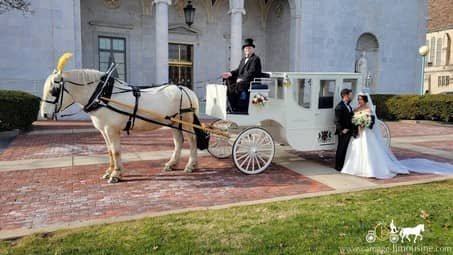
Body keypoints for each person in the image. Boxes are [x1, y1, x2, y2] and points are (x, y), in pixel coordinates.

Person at [341, 93, 453, 178]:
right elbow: (353, 118)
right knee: (356, 149)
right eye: (358, 99)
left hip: (367, 133)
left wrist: (364, 123)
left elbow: (371, 121)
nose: (359, 101)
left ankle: (370, 169)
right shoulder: (356, 109)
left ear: (365, 100)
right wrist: (357, 123)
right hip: (359, 133)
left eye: (360, 99)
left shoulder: (368, 109)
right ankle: (355, 168)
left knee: (369, 150)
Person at [222, 38, 262, 112]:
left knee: (238, 85)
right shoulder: (243, 60)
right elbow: (238, 70)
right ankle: (231, 106)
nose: (247, 49)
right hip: (242, 81)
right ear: (244, 50)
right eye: (246, 48)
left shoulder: (255, 59)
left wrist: (242, 79)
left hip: (250, 81)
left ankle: (240, 108)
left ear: (253, 49)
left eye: (249, 48)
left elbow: (251, 72)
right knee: (229, 82)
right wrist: (229, 73)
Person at [334, 88, 354, 171]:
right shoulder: (339, 107)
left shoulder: (348, 105)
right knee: (341, 149)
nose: (351, 96)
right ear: (345, 96)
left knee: (345, 149)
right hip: (343, 132)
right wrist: (342, 130)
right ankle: (338, 166)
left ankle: (342, 165)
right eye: (350, 95)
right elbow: (336, 121)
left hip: (349, 131)